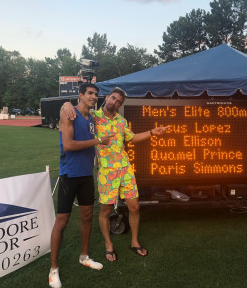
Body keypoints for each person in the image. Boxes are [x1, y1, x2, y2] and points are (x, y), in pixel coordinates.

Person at [63, 87, 168, 261]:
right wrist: (66, 103)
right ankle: (108, 245)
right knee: (105, 210)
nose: (114, 102)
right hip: (107, 171)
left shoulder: (122, 121)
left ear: (121, 104)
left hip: (125, 168)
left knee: (135, 207)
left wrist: (151, 133)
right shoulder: (94, 117)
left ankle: (135, 242)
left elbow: (131, 138)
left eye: (119, 101)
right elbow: (78, 109)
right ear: (107, 97)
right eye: (113, 98)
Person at [49, 83, 112, 288]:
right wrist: (98, 141)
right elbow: (69, 145)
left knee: (86, 217)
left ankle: (84, 257)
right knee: (62, 221)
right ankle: (53, 270)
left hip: (87, 176)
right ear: (81, 95)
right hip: (69, 174)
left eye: (96, 94)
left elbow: (111, 111)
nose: (94, 97)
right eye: (90, 94)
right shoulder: (69, 114)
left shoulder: (92, 118)